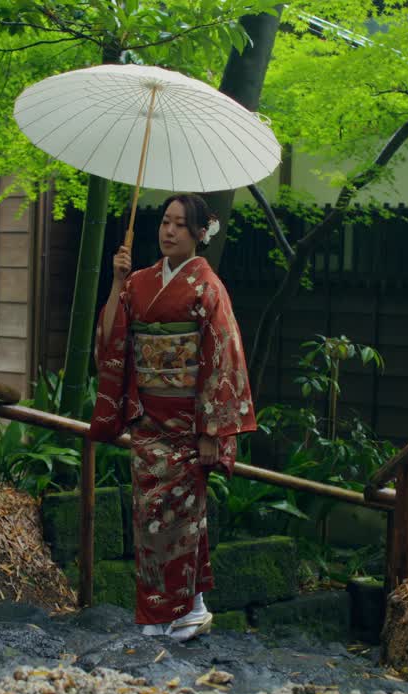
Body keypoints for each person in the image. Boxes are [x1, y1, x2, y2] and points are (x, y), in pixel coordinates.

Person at [90, 193, 256, 641]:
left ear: (200, 233)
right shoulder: (139, 282)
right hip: (148, 422)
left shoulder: (208, 287)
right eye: (165, 221)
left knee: (181, 519)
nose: (169, 231)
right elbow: (110, 340)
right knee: (149, 520)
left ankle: (181, 611)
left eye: (181, 225)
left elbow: (223, 357)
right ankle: (175, 611)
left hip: (187, 423)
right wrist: (115, 282)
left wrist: (211, 431)